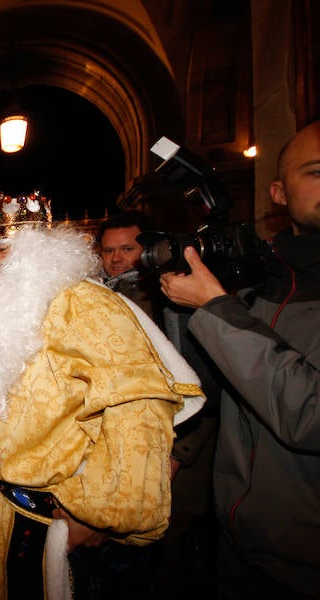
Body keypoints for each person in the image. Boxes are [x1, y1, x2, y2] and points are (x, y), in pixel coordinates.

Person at [0, 191, 206, 600]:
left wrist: (103, 514)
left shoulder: (88, 306)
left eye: (2, 249)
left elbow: (136, 409)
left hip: (63, 520)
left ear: (40, 252)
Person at [159, 120, 320, 600]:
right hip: (237, 549)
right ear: (278, 192)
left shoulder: (233, 303)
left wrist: (214, 307)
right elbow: (206, 389)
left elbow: (309, 413)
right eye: (315, 172)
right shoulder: (263, 285)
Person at [97, 208, 221, 599]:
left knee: (170, 568)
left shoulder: (173, 300)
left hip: (175, 460)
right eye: (108, 250)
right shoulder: (100, 299)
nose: (116, 258)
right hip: (123, 458)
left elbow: (208, 385)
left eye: (127, 248)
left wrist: (179, 454)